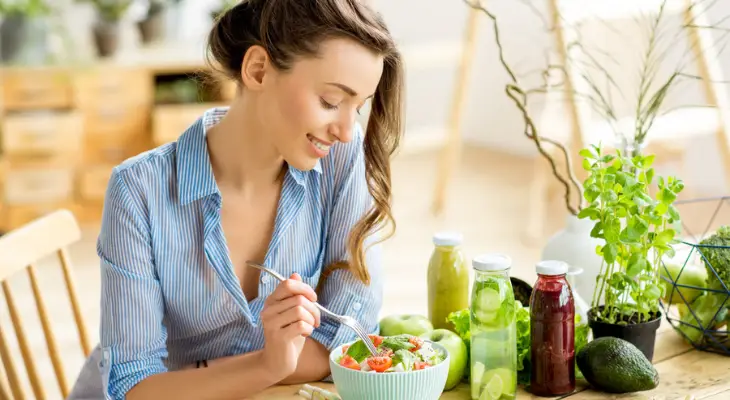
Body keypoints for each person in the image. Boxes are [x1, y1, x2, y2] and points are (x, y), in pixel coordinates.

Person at [66, 0, 404, 399]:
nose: (347, 131)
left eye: (358, 107)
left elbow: (351, 342)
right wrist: (270, 363)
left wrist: (200, 374)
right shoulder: (139, 191)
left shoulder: (340, 162)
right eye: (331, 102)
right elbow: (136, 387)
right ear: (258, 69)